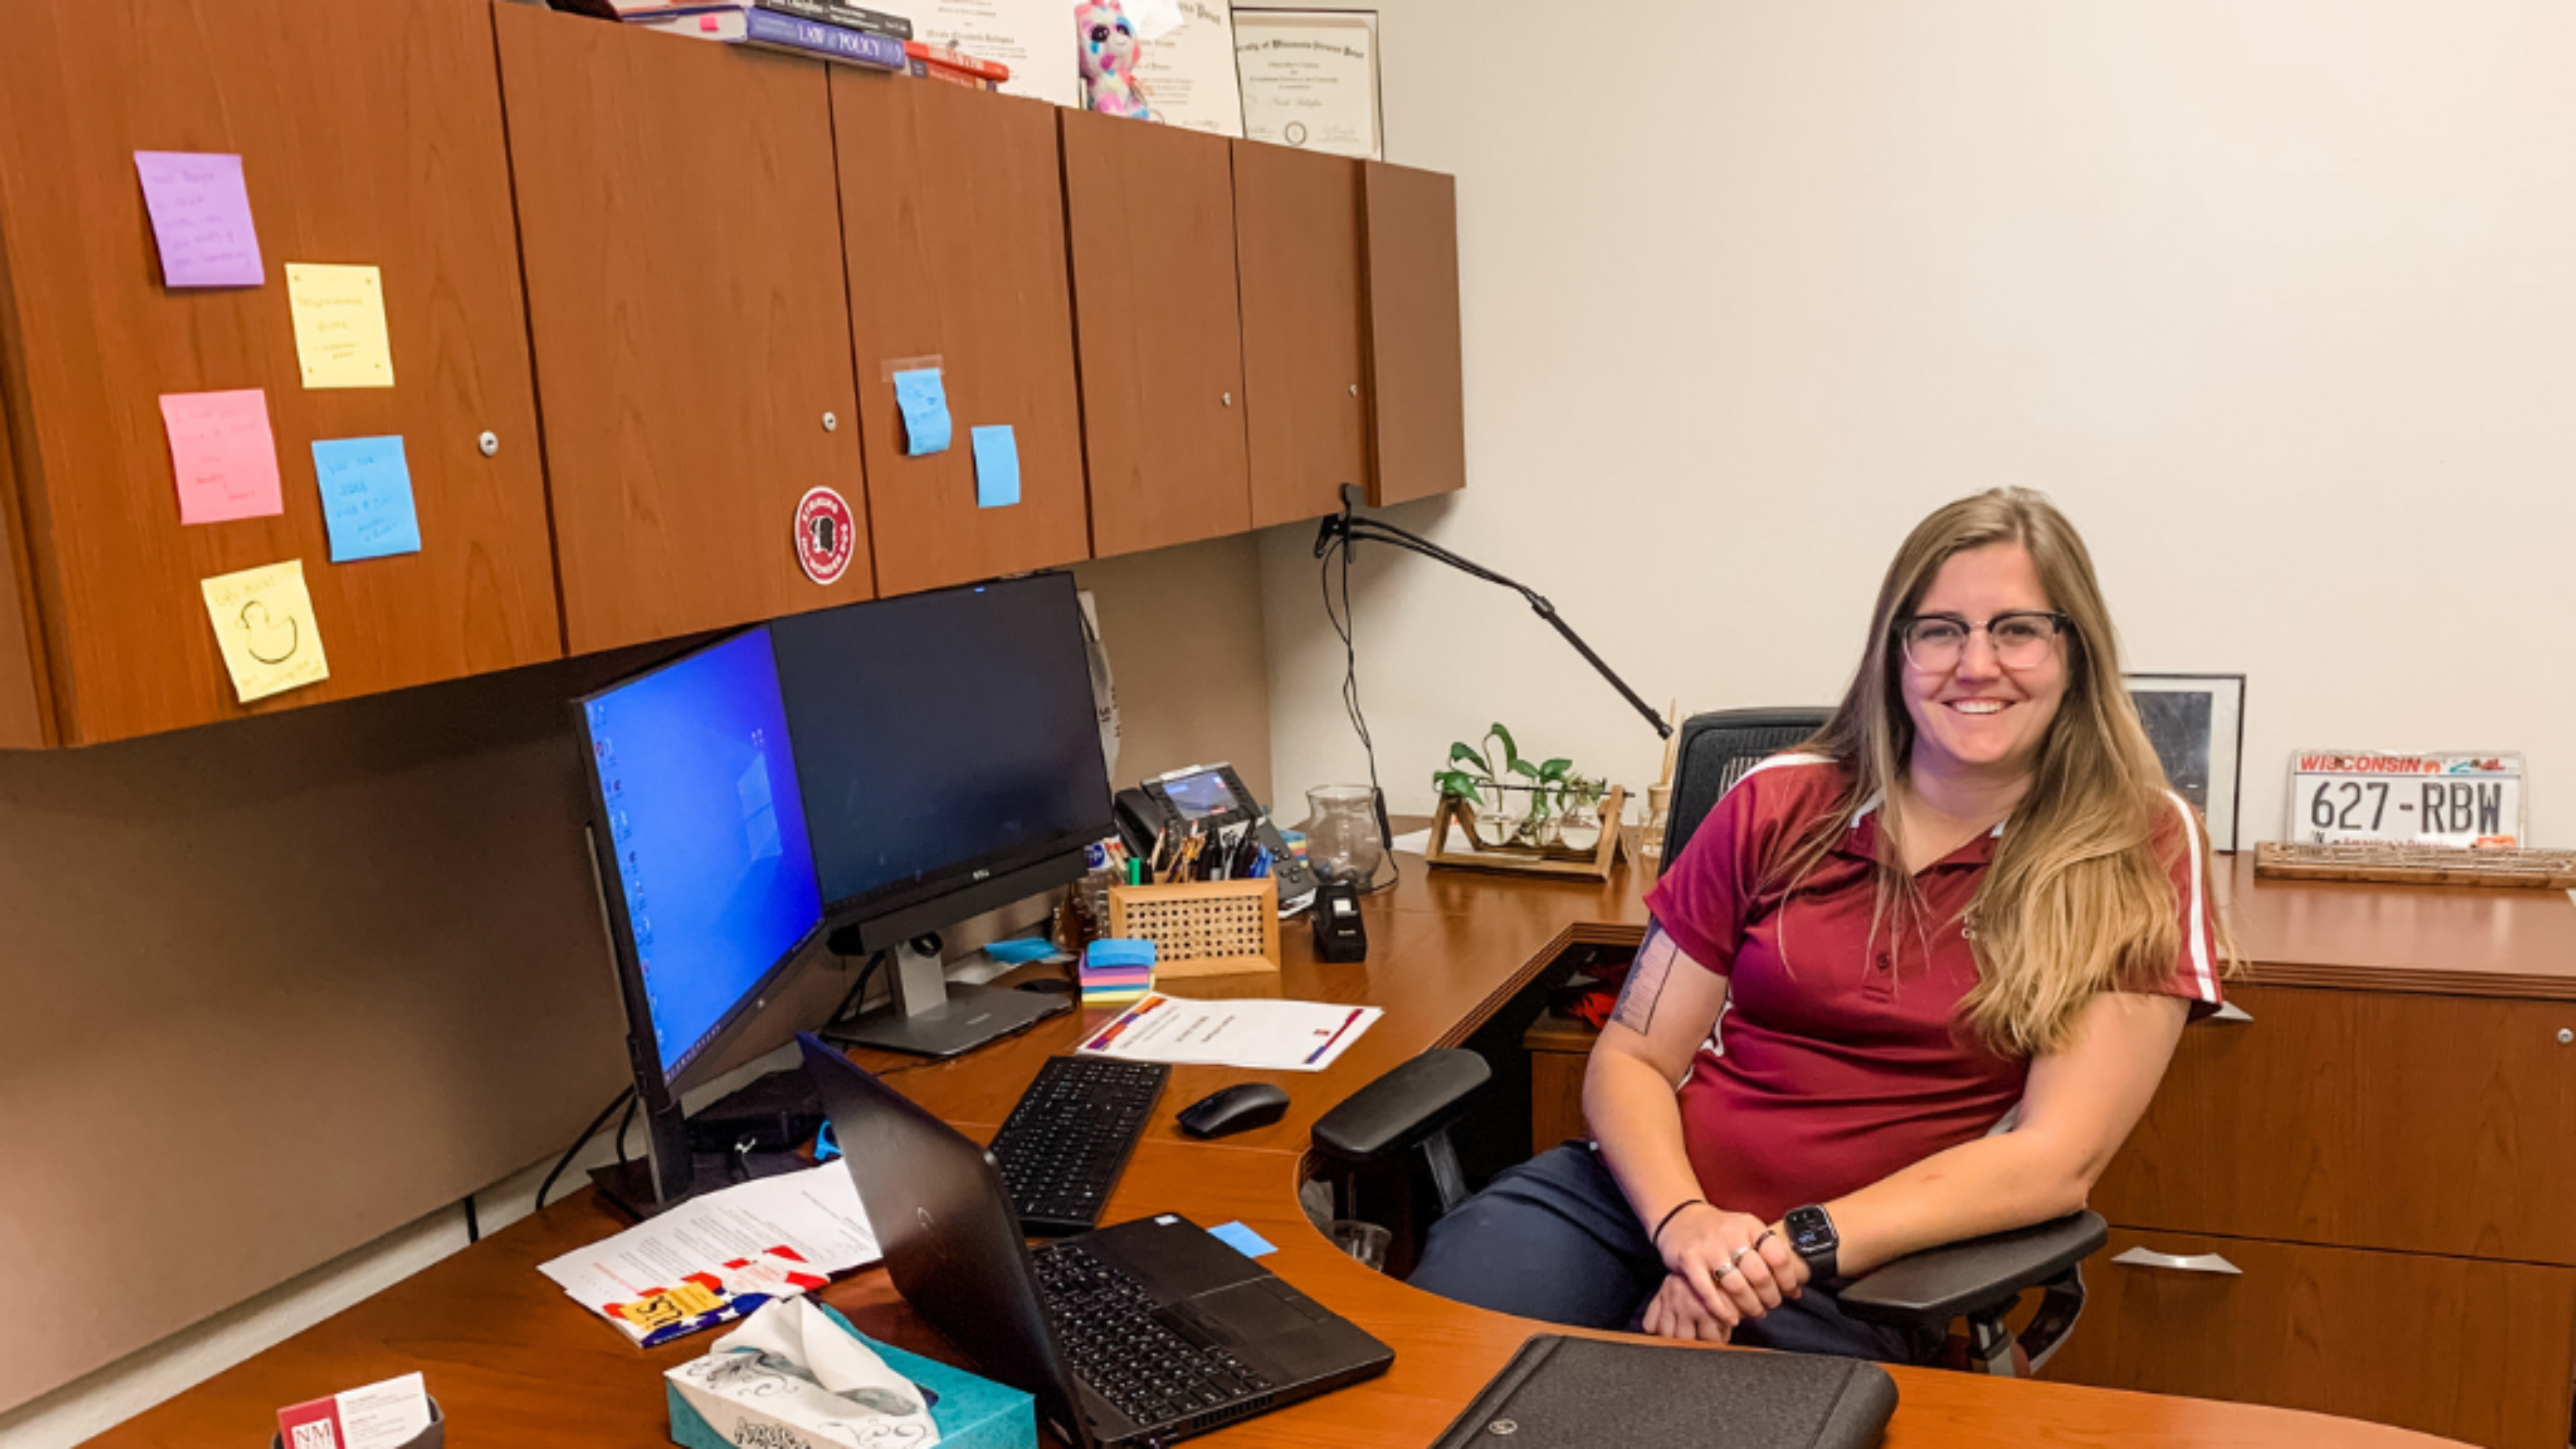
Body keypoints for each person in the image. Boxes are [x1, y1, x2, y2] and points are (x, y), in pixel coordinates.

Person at [1407, 487, 2230, 1363]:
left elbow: (2053, 1157)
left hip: (1859, 1270)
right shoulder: (1780, 801)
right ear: (1894, 652)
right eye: (1939, 629)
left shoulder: (2137, 842)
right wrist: (1687, 1227)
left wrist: (1783, 1250)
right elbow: (1636, 1057)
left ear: (2074, 651)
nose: (1976, 664)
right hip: (1644, 1204)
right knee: (1438, 1360)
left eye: (2017, 630)